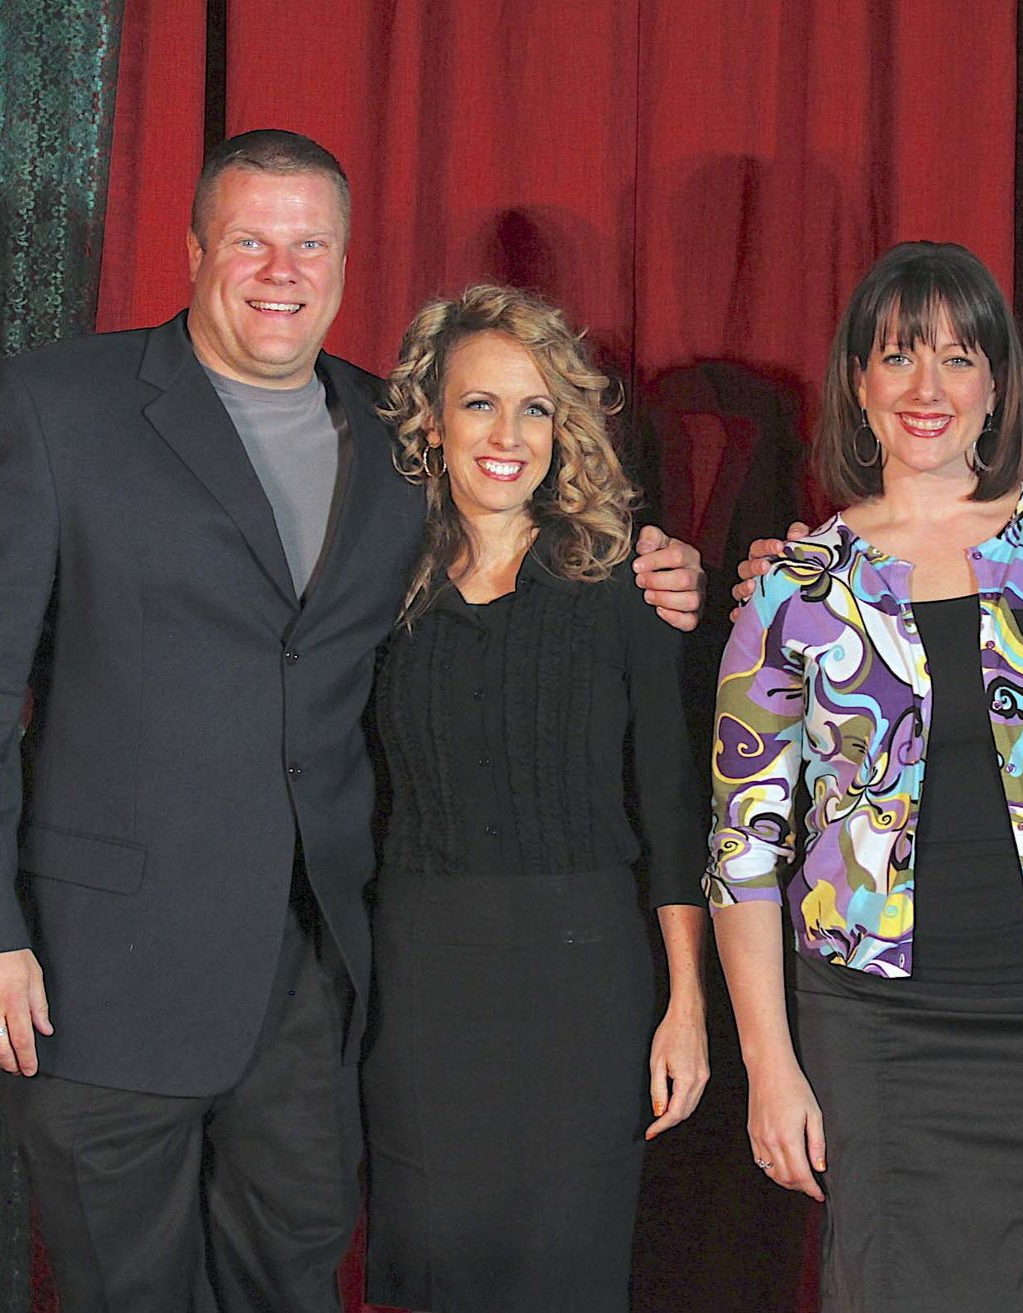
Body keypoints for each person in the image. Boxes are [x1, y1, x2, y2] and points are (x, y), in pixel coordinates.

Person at [0, 129, 701, 1311]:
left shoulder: (396, 436)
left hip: (315, 990)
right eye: (251, 241)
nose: (282, 270)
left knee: (299, 1278)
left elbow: (512, 542)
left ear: (342, 259)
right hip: (102, 978)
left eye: (309, 242)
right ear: (194, 251)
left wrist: (654, 565)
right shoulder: (56, 408)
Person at [707, 241, 1023, 1312]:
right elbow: (743, 849)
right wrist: (769, 1064)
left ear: (997, 386)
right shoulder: (794, 582)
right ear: (858, 380)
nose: (927, 388)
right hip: (872, 1022)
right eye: (898, 356)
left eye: (957, 356)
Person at [360, 285, 710, 1311]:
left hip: (584, 985)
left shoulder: (625, 585)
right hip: (419, 985)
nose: (506, 435)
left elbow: (672, 804)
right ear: (431, 416)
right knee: (435, 1268)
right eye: (479, 404)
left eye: (535, 407)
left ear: (566, 428)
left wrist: (685, 1005)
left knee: (567, 1270)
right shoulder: (377, 588)